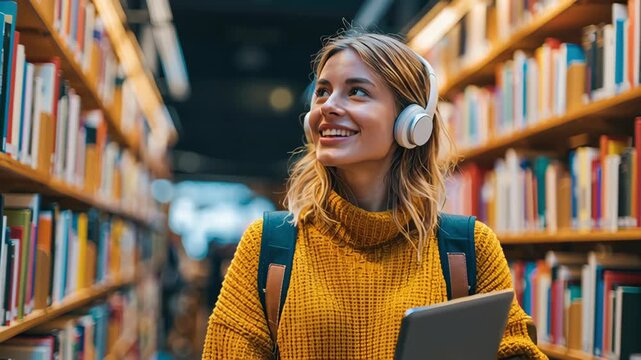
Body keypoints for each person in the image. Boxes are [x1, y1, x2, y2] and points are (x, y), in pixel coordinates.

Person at [202, 30, 547, 359]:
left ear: (411, 122)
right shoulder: (270, 245)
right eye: (323, 92)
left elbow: (516, 351)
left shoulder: (467, 248)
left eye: (357, 92)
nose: (327, 107)